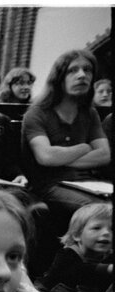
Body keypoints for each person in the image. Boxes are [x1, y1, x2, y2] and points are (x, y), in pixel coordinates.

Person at [21, 49, 111, 254]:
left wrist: (61, 157)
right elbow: (45, 157)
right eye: (73, 70)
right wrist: (84, 147)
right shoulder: (37, 113)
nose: (82, 75)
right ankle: (67, 272)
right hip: (49, 185)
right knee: (99, 212)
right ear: (58, 78)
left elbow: (104, 155)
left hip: (86, 183)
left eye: (87, 70)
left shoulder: (89, 113)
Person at [36, 203, 113, 292]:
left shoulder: (106, 259)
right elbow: (78, 270)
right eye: (97, 228)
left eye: (112, 229)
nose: (107, 233)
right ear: (77, 235)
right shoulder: (67, 254)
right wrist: (108, 269)